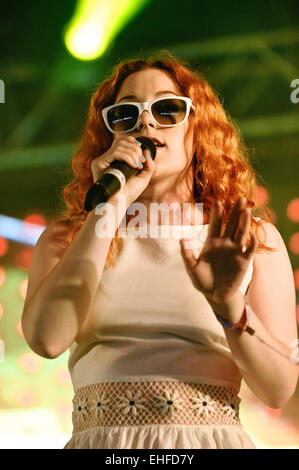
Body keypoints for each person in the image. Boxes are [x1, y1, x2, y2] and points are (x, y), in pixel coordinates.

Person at [21, 52, 298, 449]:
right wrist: (109, 208)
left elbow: (278, 388)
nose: (146, 122)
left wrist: (228, 304)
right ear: (111, 134)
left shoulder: (248, 239)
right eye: (125, 114)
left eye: (168, 109)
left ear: (197, 127)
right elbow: (47, 339)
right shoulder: (69, 237)